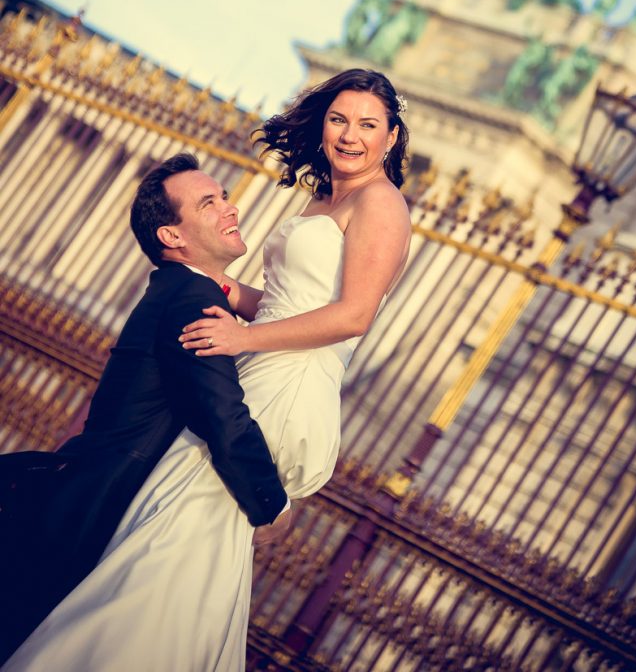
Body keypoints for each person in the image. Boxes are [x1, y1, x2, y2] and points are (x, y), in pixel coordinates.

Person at [4, 68, 412, 672]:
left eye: (368, 125)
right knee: (187, 540)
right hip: (261, 363)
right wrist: (222, 288)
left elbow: (353, 315)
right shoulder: (329, 198)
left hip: (287, 382)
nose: (350, 135)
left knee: (179, 532)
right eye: (339, 119)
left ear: (392, 136)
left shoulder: (381, 201)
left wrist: (245, 336)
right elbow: (288, 301)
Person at [0, 153, 290, 666]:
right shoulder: (191, 299)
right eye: (208, 203)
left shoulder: (182, 289)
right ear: (171, 236)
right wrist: (273, 504)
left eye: (224, 196)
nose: (231, 208)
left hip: (89, 493)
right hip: (99, 506)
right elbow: (221, 413)